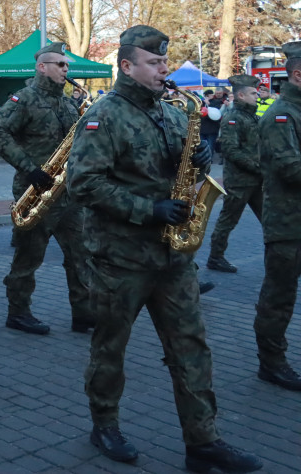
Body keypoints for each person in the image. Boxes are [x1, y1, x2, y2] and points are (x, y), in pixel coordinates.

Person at [67, 25, 261, 471]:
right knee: (110, 346)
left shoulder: (175, 112)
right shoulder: (103, 114)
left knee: (191, 346)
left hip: (173, 256)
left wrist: (198, 163)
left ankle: (203, 441)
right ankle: (105, 425)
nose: (163, 69)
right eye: (153, 63)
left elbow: (185, 170)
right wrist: (147, 208)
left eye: (163, 62)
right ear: (127, 66)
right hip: (122, 256)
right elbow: (82, 185)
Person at [0, 43, 93, 335]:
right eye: (59, 64)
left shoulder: (70, 102)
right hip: (35, 192)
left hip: (68, 193)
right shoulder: (24, 99)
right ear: (41, 66)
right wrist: (29, 167)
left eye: (67, 65)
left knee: (81, 254)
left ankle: (83, 313)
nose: (65, 69)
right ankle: (18, 312)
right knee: (29, 257)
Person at [253, 41, 301, 392]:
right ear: (297, 75)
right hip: (288, 224)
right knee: (279, 296)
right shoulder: (280, 116)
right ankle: (271, 362)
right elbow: (290, 168)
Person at [206, 74, 262, 273]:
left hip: (257, 180)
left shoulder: (252, 116)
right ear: (240, 95)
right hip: (239, 181)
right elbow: (230, 150)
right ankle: (215, 257)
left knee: (271, 219)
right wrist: (257, 167)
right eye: (253, 93)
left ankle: (284, 258)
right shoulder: (233, 118)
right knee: (227, 220)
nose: (258, 96)